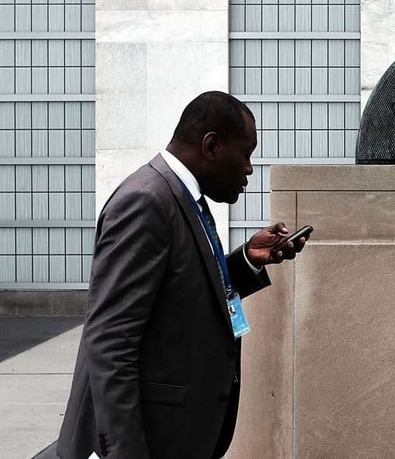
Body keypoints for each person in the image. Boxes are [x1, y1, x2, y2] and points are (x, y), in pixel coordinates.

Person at [57, 91, 308, 459]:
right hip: (146, 442)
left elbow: (184, 291)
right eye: (246, 153)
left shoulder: (185, 198)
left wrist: (246, 261)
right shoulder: (146, 201)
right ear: (211, 146)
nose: (250, 169)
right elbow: (110, 341)